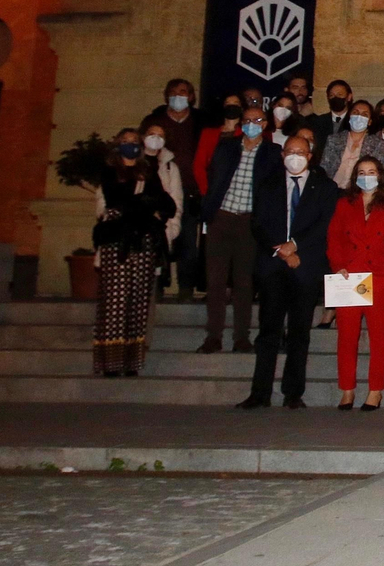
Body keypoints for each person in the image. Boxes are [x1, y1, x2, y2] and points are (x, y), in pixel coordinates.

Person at [236, 136, 338, 408]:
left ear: (310, 154)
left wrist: (296, 247)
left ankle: (293, 393)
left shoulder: (325, 187)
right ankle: (260, 393)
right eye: (290, 151)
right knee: (268, 331)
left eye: (301, 152)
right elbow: (258, 223)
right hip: (272, 266)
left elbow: (324, 224)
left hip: (306, 267)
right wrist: (281, 249)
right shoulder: (268, 184)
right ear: (282, 155)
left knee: (299, 332)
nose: (295, 156)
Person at [92, 129, 177, 376]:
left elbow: (167, 204)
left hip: (144, 242)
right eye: (125, 142)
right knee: (115, 301)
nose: (131, 146)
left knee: (138, 300)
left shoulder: (148, 171)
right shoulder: (110, 172)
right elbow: (119, 200)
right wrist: (146, 205)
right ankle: (111, 363)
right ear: (117, 146)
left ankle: (131, 362)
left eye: (134, 142)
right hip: (117, 242)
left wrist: (147, 204)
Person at [199, 106, 278, 354]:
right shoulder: (226, 147)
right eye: (246, 120)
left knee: (244, 282)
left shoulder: (273, 153)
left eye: (257, 120)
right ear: (240, 124)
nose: (251, 124)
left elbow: (273, 190)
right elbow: (214, 181)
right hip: (221, 219)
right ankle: (213, 336)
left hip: (249, 223)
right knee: (216, 282)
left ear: (265, 124)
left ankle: (241, 337)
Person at [326, 156, 384, 411]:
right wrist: (339, 266)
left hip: (380, 276)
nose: (366, 176)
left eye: (371, 172)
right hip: (349, 277)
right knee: (346, 336)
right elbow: (334, 238)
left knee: (378, 336)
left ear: (380, 176)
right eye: (362, 172)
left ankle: (375, 391)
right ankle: (347, 389)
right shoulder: (342, 204)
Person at [141, 78, 204, 298]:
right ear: (167, 95)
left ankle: (185, 289)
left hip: (190, 191)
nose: (179, 96)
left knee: (188, 242)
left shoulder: (199, 122)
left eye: (184, 92)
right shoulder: (154, 121)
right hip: (157, 192)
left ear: (192, 96)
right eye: (174, 92)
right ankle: (154, 287)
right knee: (155, 240)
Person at [139, 120, 186, 261]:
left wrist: (173, 228)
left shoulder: (170, 168)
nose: (155, 138)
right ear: (143, 137)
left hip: (159, 229)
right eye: (152, 134)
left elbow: (176, 199)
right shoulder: (133, 162)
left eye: (160, 136)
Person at [321, 100, 384, 189]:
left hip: (359, 191)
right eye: (355, 113)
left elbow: (378, 171)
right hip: (332, 189)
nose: (359, 117)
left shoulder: (378, 143)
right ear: (349, 117)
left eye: (364, 114)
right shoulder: (333, 139)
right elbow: (324, 168)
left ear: (370, 121)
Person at [194, 94, 245, 197]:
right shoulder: (208, 133)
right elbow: (198, 165)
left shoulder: (246, 134)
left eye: (236, 104)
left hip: (237, 191)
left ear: (242, 108)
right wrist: (206, 191)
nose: (231, 106)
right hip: (211, 189)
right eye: (228, 104)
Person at [307, 79, 354, 151]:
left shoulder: (354, 122)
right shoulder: (317, 122)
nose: (335, 98)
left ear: (349, 97)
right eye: (331, 95)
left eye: (340, 94)